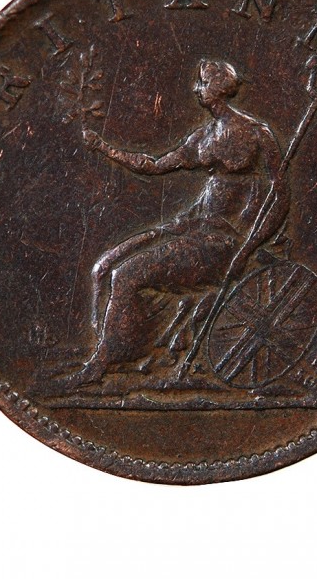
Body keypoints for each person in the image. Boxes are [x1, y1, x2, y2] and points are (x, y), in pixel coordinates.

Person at [74, 58, 287, 386]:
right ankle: (127, 348)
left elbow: (279, 195)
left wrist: (250, 247)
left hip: (223, 242)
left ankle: (103, 361)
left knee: (125, 274)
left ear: (217, 89)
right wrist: (105, 149)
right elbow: (153, 165)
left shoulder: (257, 134)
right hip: (192, 228)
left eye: (202, 83)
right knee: (105, 266)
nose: (196, 89)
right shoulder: (202, 137)